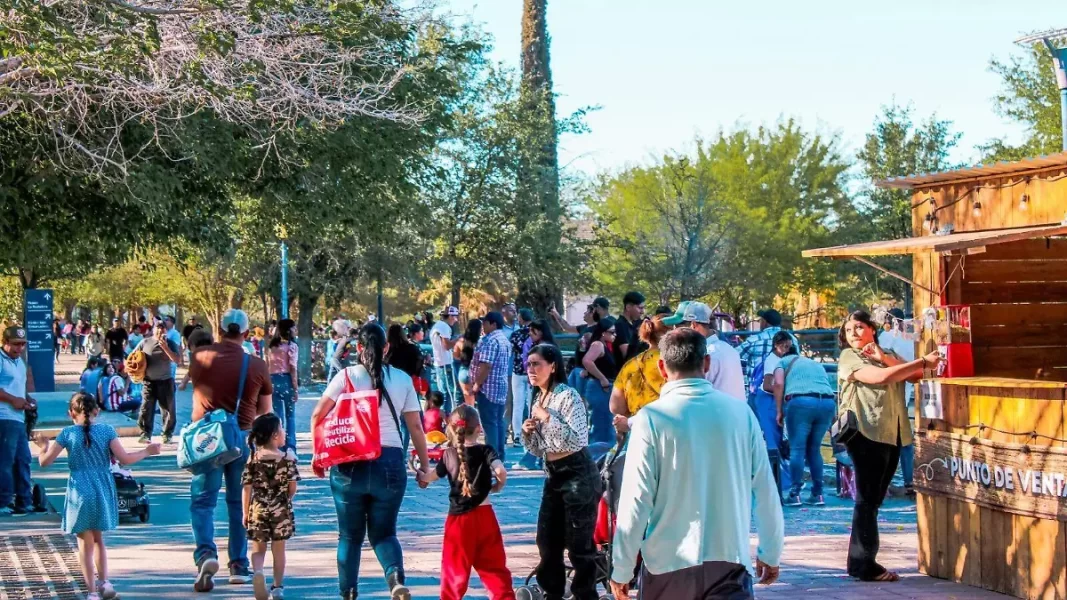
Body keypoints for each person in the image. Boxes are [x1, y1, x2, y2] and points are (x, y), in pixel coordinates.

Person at [609, 328, 784, 600]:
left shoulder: (650, 419)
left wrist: (622, 567)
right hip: (729, 559)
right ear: (707, 363)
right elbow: (765, 490)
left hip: (667, 563)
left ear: (662, 368)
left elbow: (636, 500)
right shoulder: (741, 414)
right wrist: (770, 551)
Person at [311, 322, 430, 600]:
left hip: (349, 463)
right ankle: (395, 579)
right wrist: (425, 467)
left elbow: (317, 415)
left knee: (349, 536)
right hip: (390, 462)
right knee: (385, 533)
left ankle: (349, 593)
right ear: (386, 348)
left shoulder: (346, 376)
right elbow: (415, 427)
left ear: (359, 347)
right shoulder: (402, 379)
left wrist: (318, 455)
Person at [837, 310, 939, 582]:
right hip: (865, 432)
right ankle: (864, 564)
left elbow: (915, 375)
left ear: (872, 329)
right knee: (867, 499)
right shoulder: (849, 357)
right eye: (849, 330)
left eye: (859, 327)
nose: (854, 333)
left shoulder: (888, 353)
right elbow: (881, 377)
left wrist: (883, 356)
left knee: (873, 499)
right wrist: (922, 360)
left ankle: (858, 562)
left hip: (892, 433)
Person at [34, 392, 161, 600]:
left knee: (85, 544)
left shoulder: (67, 434)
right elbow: (125, 459)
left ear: (70, 413)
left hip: (80, 492)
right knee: (98, 539)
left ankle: (92, 593)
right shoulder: (107, 431)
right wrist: (147, 451)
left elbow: (44, 462)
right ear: (97, 411)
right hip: (102, 488)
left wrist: (43, 447)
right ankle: (105, 582)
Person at [188, 309, 275, 592]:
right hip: (242, 438)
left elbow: (197, 394)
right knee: (240, 503)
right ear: (247, 334)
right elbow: (265, 411)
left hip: (206, 439)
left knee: (203, 501)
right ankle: (238, 565)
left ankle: (205, 555)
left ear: (220, 330)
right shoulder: (257, 365)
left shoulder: (199, 358)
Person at [522, 343, 601, 600]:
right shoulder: (538, 398)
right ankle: (552, 591)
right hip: (554, 473)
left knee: (579, 543)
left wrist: (548, 418)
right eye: (529, 364)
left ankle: (584, 594)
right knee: (546, 540)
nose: (531, 369)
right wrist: (528, 433)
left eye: (537, 364)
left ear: (553, 366)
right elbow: (540, 449)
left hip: (578, 473)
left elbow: (577, 439)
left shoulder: (568, 396)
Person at [417, 405, 514, 600]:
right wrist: (498, 486)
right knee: (494, 567)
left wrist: (422, 477)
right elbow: (501, 471)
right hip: (486, 516)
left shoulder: (448, 454)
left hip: (459, 522)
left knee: (454, 571)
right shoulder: (486, 450)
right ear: (479, 428)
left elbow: (432, 476)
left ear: (452, 429)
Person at [768, 331, 837, 507]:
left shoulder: (781, 362)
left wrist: (779, 411)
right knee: (814, 449)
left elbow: (778, 384)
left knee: (797, 449)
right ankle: (818, 494)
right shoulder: (814, 364)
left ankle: (794, 494)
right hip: (827, 403)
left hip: (801, 403)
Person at [243, 413, 300, 600]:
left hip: (258, 508)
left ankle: (258, 572)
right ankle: (277, 587)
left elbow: (247, 487)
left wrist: (245, 512)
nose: (284, 432)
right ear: (275, 435)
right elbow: (292, 488)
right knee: (279, 551)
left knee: (258, 549)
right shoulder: (287, 459)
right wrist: (285, 499)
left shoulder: (253, 458)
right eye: (281, 428)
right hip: (281, 510)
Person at [663, 301, 745, 401]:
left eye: (677, 326)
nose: (674, 331)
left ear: (693, 325)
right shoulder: (728, 349)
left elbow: (689, 397)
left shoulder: (704, 355)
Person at [878, 308, 916, 496]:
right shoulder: (911, 338)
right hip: (904, 393)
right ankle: (909, 481)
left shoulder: (885, 337)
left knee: (884, 440)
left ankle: (883, 483)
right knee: (905, 441)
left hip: (885, 395)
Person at [610, 316, 670, 433]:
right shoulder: (675, 363)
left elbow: (615, 407)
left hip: (637, 429)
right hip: (666, 427)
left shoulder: (630, 365)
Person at [0, 326, 36, 516]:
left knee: (23, 459)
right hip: (3, 417)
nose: (19, 348)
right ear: (4, 342)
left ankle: (24, 500)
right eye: (15, 344)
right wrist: (13, 400)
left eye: (22, 344)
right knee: (5, 460)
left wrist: (27, 399)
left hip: (19, 418)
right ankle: (3, 501)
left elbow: (19, 387)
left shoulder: (20, 362)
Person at [471, 311, 513, 460]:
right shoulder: (504, 340)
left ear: (493, 324)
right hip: (500, 386)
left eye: (485, 322)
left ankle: (492, 458)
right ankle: (499, 455)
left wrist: (477, 384)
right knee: (498, 422)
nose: (483, 325)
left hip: (488, 388)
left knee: (489, 424)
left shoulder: (490, 341)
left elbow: (486, 365)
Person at [135, 320, 180, 444]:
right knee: (146, 408)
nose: (160, 330)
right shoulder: (144, 342)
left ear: (165, 330)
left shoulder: (170, 343)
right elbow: (133, 357)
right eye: (157, 327)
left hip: (166, 381)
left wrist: (165, 347)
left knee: (168, 410)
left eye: (162, 327)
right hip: (149, 382)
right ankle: (145, 434)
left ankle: (167, 434)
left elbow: (177, 360)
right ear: (153, 329)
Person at [737, 308, 800, 391]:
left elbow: (734, 354)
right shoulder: (793, 339)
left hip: (759, 390)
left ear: (764, 322)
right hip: (786, 388)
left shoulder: (754, 340)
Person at [580, 317, 618, 445]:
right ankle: (595, 454)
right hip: (599, 388)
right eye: (612, 332)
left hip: (602, 388)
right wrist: (602, 379)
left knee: (605, 425)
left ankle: (600, 453)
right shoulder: (598, 344)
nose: (615, 335)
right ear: (603, 332)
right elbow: (587, 361)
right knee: (601, 426)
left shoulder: (605, 346)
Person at [266, 319, 299, 454]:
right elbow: (293, 368)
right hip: (286, 380)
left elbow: (267, 365)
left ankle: (279, 445)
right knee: (290, 415)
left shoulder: (272, 347)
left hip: (273, 380)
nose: (295, 330)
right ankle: (290, 446)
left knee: (278, 416)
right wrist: (295, 388)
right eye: (294, 328)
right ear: (288, 330)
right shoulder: (292, 346)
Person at [508, 308, 534, 446]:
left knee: (517, 404)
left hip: (518, 371)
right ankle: (532, 432)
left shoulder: (516, 334)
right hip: (533, 372)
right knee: (532, 403)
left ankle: (517, 435)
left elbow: (511, 351)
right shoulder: (536, 333)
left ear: (521, 318)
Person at [430, 306, 461, 413]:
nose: (456, 320)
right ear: (450, 316)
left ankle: (444, 416)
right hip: (445, 365)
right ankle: (449, 416)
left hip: (440, 364)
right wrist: (458, 339)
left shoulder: (438, 325)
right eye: (455, 317)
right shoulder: (444, 327)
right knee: (451, 393)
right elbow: (447, 346)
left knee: (444, 393)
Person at [613, 291, 647, 367]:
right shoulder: (620, 325)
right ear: (628, 307)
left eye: (643, 308)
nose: (642, 312)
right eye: (640, 308)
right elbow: (628, 356)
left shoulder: (637, 323)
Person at [454, 319, 482, 407]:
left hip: (463, 370)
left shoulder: (461, 341)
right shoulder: (481, 342)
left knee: (468, 402)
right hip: (476, 372)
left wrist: (464, 358)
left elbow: (455, 356)